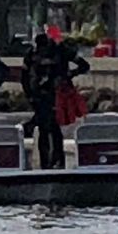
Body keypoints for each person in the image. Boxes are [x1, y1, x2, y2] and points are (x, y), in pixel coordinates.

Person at [22, 34, 90, 169]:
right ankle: (45, 162)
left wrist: (67, 75)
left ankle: (57, 160)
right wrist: (29, 94)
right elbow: (24, 76)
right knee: (44, 128)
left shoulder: (61, 51)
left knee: (53, 127)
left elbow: (84, 65)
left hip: (57, 95)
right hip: (39, 96)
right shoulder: (31, 54)